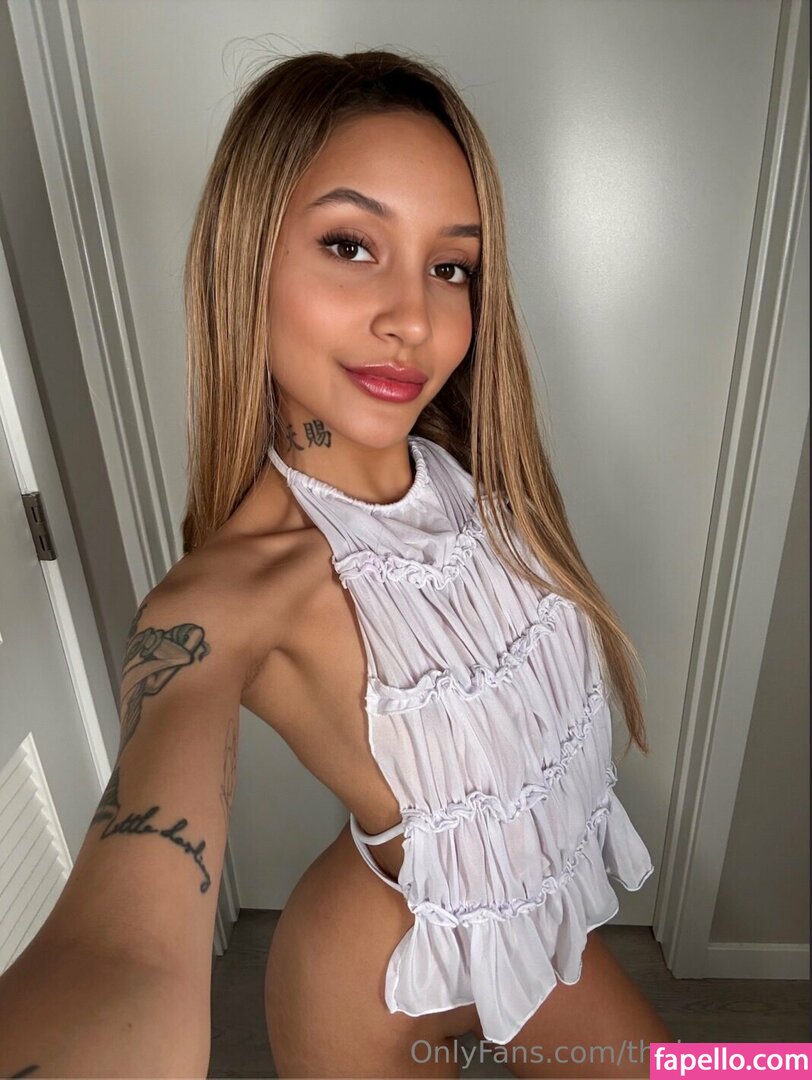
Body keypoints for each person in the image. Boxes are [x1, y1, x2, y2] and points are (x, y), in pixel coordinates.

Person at [0, 48, 675, 1078]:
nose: (414, 319)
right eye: (351, 245)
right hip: (369, 989)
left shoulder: (470, 475)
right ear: (248, 260)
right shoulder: (229, 595)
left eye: (450, 266)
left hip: (533, 944)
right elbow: (122, 950)